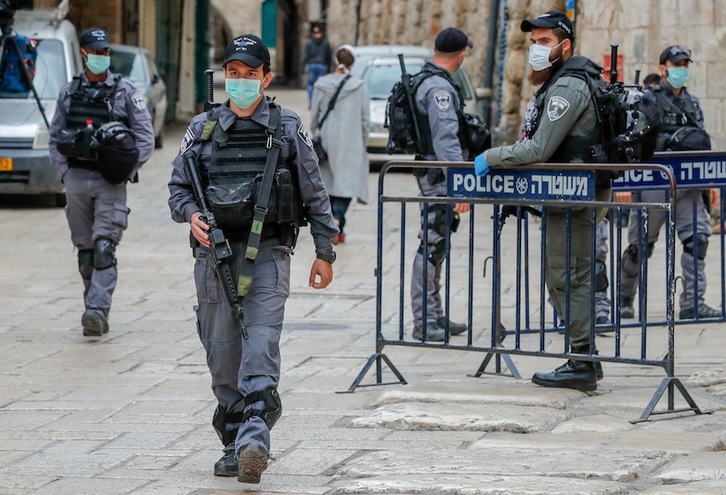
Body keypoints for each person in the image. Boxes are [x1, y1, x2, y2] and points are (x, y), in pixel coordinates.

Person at [167, 34, 338, 485]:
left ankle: (254, 441)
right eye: (233, 73)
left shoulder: (287, 127)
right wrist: (190, 215)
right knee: (222, 351)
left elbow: (314, 192)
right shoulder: (200, 128)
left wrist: (324, 251)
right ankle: (232, 439)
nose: (240, 81)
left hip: (268, 254)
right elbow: (177, 188)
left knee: (260, 342)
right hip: (214, 256)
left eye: (249, 74)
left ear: (266, 77)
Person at [474, 10, 611, 392]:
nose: (536, 49)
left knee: (569, 278)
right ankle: (586, 358)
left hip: (573, 197)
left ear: (565, 46)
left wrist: (492, 156)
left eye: (545, 42)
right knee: (565, 278)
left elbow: (539, 147)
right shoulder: (561, 82)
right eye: (533, 42)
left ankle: (581, 360)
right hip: (566, 196)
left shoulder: (568, 87)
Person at [48, 27, 154, 337]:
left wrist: (126, 168)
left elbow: (145, 138)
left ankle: (97, 310)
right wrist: (64, 174)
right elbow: (55, 139)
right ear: (84, 53)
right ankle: (92, 309)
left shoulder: (126, 92)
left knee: (104, 247)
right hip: (76, 179)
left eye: (106, 52)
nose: (101, 57)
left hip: (110, 182)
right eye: (96, 52)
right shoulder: (69, 93)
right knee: (86, 255)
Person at [620, 45, 719, 321]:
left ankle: (692, 304)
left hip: (689, 184)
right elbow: (637, 141)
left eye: (686, 64)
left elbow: (701, 140)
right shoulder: (648, 100)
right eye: (677, 65)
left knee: (697, 242)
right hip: (655, 181)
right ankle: (624, 297)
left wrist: (709, 183)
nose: (682, 69)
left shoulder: (693, 102)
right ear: (663, 68)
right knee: (640, 246)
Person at [409, 27, 473, 342]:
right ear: (461, 55)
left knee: (438, 243)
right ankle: (424, 320)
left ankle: (435, 315)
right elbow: (446, 139)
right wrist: (459, 184)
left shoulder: (426, 79)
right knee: (432, 244)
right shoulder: (439, 89)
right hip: (439, 177)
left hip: (432, 172)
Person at [310, 44, 370, 244]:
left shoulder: (321, 84)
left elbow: (315, 115)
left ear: (336, 60)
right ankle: (337, 219)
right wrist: (363, 141)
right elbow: (365, 120)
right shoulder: (359, 86)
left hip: (326, 140)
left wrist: (315, 133)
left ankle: (333, 224)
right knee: (346, 184)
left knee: (327, 183)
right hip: (351, 139)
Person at [303, 26, 332, 107]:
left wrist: (303, 66)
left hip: (312, 65)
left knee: (311, 85)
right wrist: (329, 68)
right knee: (322, 85)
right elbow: (329, 56)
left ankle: (312, 102)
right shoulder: (325, 43)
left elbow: (306, 55)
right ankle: (321, 102)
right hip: (322, 65)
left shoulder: (310, 42)